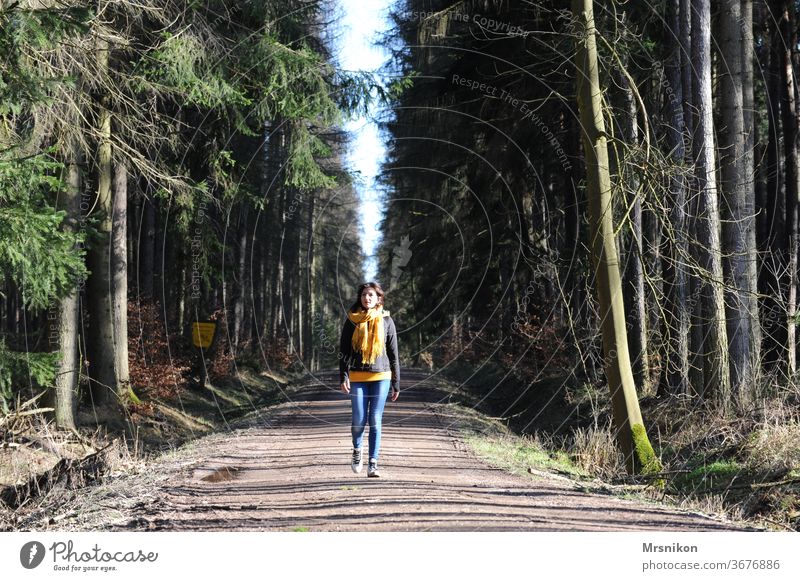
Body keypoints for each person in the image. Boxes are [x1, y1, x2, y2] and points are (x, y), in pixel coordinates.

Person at [339, 281, 400, 477]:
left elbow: (393, 354)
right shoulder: (352, 320)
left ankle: (373, 463)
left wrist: (396, 382)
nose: (367, 298)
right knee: (358, 419)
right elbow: (344, 351)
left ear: (378, 298)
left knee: (375, 419)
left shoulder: (387, 321)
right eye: (364, 294)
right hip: (357, 375)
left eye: (371, 295)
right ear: (360, 297)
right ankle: (357, 450)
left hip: (381, 376)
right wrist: (344, 376)